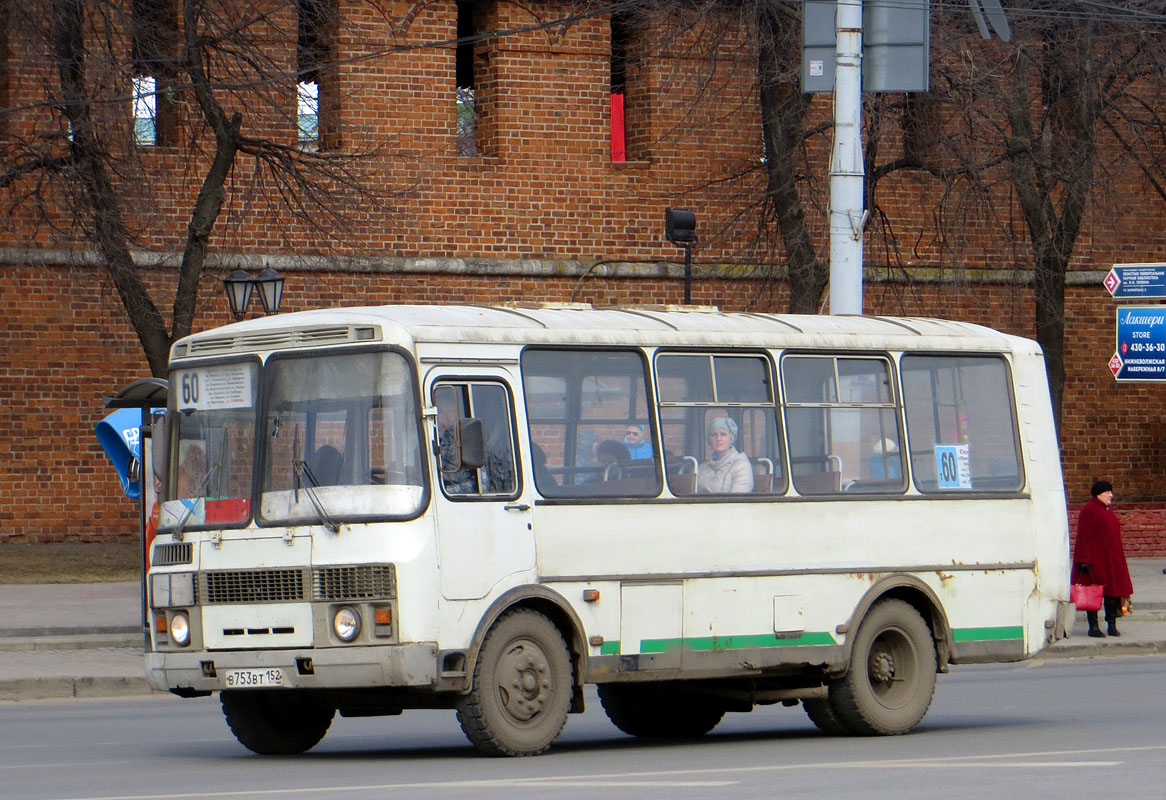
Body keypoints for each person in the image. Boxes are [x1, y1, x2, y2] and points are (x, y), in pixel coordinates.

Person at [1072, 480, 1133, 637]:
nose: (1111, 495)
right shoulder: (1088, 511)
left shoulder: (1107, 510)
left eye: (1110, 492)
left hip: (1112, 561)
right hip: (1095, 562)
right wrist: (1084, 559)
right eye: (1107, 492)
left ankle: (1111, 625)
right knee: (1094, 593)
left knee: (1113, 593)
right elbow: (1084, 537)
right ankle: (1093, 627)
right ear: (1098, 494)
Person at [697, 416, 754, 493]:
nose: (718, 439)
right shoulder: (702, 468)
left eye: (723, 434)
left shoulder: (742, 466)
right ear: (709, 439)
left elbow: (738, 499)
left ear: (731, 439)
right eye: (714, 435)